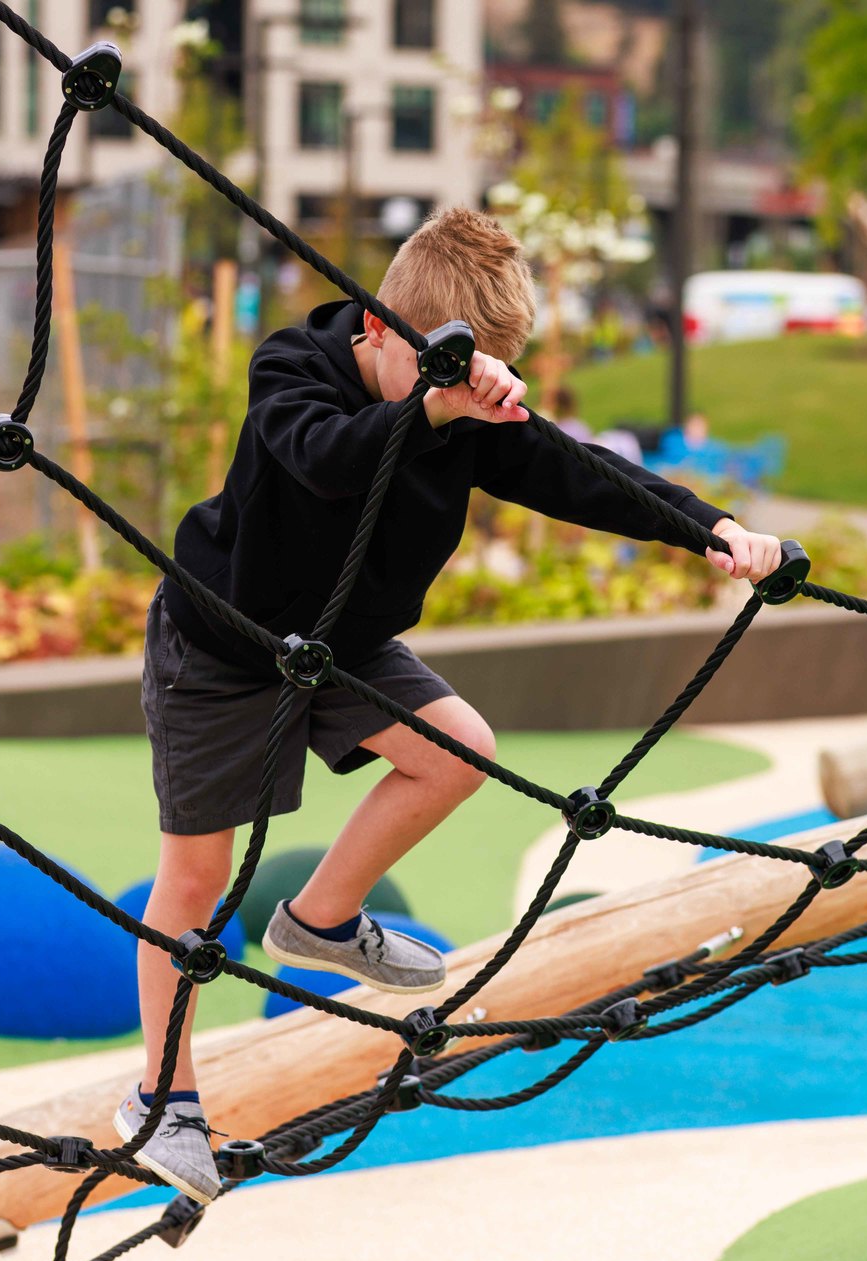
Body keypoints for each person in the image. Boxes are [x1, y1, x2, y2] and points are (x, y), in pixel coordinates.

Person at [118, 208, 784, 1201]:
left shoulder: (462, 409)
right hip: (224, 643)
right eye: (447, 368)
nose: (466, 394)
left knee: (458, 748)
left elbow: (580, 474)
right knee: (197, 877)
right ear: (378, 328)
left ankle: (319, 917)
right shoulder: (292, 368)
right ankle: (161, 1097)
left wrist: (711, 525)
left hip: (340, 646)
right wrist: (433, 406)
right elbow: (327, 457)